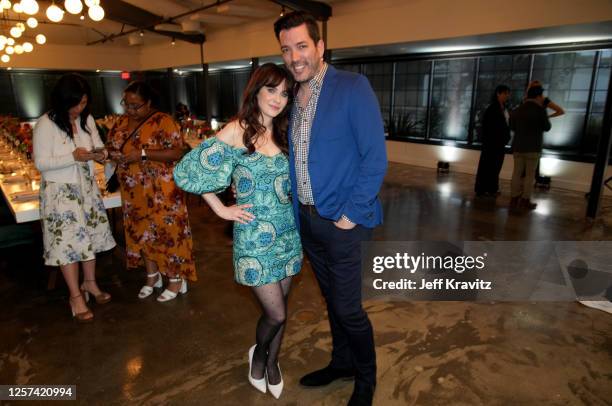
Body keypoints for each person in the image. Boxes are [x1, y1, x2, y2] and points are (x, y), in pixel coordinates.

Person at [274, 11, 387, 406]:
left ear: (320, 47)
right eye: (287, 49)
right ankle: (342, 363)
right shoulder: (292, 95)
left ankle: (367, 380)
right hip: (306, 221)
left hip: (343, 223)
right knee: (331, 301)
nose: (294, 56)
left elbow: (375, 158)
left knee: (347, 307)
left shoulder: (352, 88)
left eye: (302, 46)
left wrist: (349, 216)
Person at [173, 63, 302, 400]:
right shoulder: (237, 130)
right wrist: (221, 209)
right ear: (256, 90)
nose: (278, 99)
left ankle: (272, 362)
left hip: (287, 233)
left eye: (285, 93)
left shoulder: (287, 130)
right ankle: (258, 355)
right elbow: (188, 172)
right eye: (271, 90)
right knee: (276, 313)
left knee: (281, 311)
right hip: (253, 235)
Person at [33, 73, 116, 322]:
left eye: (84, 102)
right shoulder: (46, 123)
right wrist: (73, 157)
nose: (80, 108)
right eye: (76, 103)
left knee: (89, 239)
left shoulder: (86, 119)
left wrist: (102, 155)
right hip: (61, 193)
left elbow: (98, 146)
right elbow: (41, 163)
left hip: (87, 188)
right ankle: (75, 296)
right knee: (68, 246)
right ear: (62, 101)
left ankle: (90, 284)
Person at [106, 81, 195, 302]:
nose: (130, 110)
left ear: (148, 103)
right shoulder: (121, 123)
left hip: (161, 191)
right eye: (126, 104)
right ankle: (152, 276)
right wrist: (109, 155)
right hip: (133, 190)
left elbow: (177, 152)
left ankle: (176, 280)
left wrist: (143, 154)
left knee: (168, 234)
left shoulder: (163, 121)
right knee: (142, 233)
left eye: (136, 106)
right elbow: (113, 146)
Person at [509, 85, 552, 210]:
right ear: (538, 96)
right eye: (542, 96)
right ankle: (525, 200)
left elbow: (512, 126)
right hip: (533, 147)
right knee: (529, 176)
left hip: (518, 146)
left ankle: (514, 199)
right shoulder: (540, 110)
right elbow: (547, 127)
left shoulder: (518, 109)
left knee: (516, 173)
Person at [474, 85, 511, 197]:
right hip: (492, 143)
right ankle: (484, 189)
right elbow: (489, 127)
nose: (507, 96)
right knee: (489, 166)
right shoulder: (493, 109)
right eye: (505, 93)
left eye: (508, 93)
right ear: (498, 94)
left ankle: (491, 188)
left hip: (498, 143)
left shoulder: (503, 108)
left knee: (495, 166)